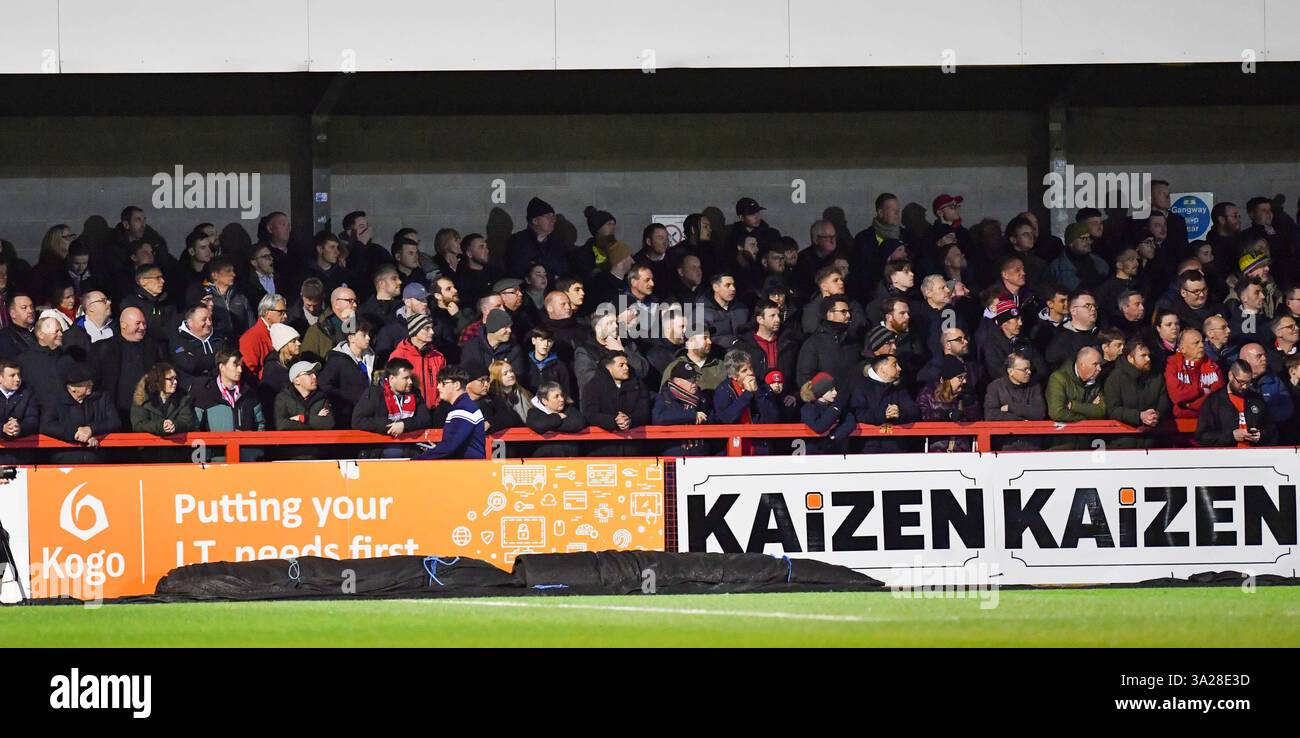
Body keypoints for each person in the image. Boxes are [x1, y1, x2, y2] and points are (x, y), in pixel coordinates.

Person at [40, 363, 121, 465]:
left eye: (90, 381)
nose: (91, 384)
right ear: (72, 388)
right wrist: (75, 433)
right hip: (65, 460)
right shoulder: (55, 401)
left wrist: (91, 429)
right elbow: (47, 425)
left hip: (96, 459)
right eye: (86, 383)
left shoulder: (102, 398)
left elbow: (115, 422)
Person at [352, 358, 431, 458]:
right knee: (395, 452)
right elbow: (358, 420)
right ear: (392, 379)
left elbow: (425, 419)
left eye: (410, 377)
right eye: (405, 378)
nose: (410, 381)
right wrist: (390, 426)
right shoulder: (374, 393)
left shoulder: (415, 394)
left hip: (410, 444)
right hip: (380, 446)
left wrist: (403, 425)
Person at [580, 351, 650, 456]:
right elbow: (589, 413)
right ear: (608, 367)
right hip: (602, 448)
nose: (626, 368)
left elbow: (645, 410)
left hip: (633, 447)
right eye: (621, 365)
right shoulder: (592, 386)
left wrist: (630, 420)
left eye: (626, 364)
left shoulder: (638, 384)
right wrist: (613, 421)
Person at [1103, 338, 1169, 448]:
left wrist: (1156, 415)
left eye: (1148, 355)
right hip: (1122, 443)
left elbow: (1164, 403)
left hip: (1153, 442)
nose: (1148, 359)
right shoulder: (1115, 378)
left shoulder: (1157, 377)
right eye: (1143, 356)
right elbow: (1113, 410)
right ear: (1130, 358)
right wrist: (1139, 416)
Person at [1196, 360, 1278, 447]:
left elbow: (1271, 428)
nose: (1245, 386)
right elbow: (1202, 436)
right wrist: (1232, 436)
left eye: (1248, 382)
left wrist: (1261, 435)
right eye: (1241, 382)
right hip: (1226, 455)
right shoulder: (1213, 401)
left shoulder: (1256, 399)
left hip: (1254, 454)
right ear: (1230, 376)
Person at [712, 350, 781, 454]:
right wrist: (747, 395)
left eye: (750, 368)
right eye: (744, 371)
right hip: (732, 447)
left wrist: (758, 393)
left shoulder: (762, 386)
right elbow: (726, 418)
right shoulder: (723, 390)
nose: (750, 372)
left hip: (760, 446)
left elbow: (772, 417)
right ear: (734, 376)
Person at [851, 353, 920, 453]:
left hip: (898, 448)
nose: (900, 368)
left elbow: (915, 411)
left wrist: (900, 413)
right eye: (894, 365)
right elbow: (857, 414)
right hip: (868, 448)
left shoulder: (899, 390)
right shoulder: (862, 388)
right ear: (882, 369)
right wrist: (882, 414)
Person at [416, 366, 487, 460]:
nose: (438, 387)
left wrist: (417, 460)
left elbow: (449, 446)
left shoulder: (464, 409)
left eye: (443, 383)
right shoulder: (462, 406)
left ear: (457, 385)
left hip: (468, 469)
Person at [318, 317, 377, 426]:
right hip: (347, 417)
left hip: (368, 415)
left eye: (369, 334)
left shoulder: (372, 358)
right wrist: (343, 400)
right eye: (364, 335)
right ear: (351, 338)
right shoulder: (338, 360)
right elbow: (323, 383)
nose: (368, 338)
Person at [1045, 346, 1108, 450]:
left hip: (1087, 445)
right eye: (1095, 364)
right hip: (1060, 445)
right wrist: (1088, 414)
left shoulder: (1097, 383)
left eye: (1100, 365)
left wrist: (1074, 406)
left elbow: (1102, 411)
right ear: (1082, 364)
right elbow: (1056, 412)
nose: (1099, 369)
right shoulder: (1058, 378)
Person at [983, 351, 1047, 450]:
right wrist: (1021, 420)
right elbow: (991, 415)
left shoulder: (1034, 386)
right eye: (1025, 369)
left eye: (1029, 369)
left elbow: (1039, 413)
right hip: (1005, 446)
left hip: (1031, 446)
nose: (1029, 372)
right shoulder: (995, 387)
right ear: (1010, 371)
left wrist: (1010, 407)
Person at [917, 355, 981, 452]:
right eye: (960, 378)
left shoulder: (966, 394)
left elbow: (977, 420)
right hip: (936, 451)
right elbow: (922, 415)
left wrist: (969, 405)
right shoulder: (928, 393)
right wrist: (947, 414)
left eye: (965, 377)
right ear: (947, 379)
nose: (964, 381)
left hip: (963, 452)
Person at [652, 360, 713, 456]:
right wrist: (692, 415)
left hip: (700, 452)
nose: (694, 383)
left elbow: (713, 418)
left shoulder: (702, 398)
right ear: (677, 381)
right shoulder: (664, 397)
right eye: (690, 380)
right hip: (674, 452)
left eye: (695, 378)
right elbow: (658, 418)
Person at [387, 312, 447, 409]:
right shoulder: (399, 355)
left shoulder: (438, 357)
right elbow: (392, 386)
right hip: (409, 412)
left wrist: (438, 404)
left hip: (436, 411)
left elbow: (444, 384)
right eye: (427, 328)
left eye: (432, 328)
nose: (432, 332)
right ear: (415, 330)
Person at [1165, 328, 1224, 420]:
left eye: (1202, 342)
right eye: (1196, 343)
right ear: (1182, 349)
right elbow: (1177, 396)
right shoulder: (1173, 364)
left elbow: (1217, 400)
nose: (1201, 345)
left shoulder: (1213, 367)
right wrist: (1202, 391)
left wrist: (1188, 405)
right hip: (1180, 423)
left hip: (1208, 421)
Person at [170, 304, 229, 390]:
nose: (209, 323)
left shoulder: (220, 338)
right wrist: (216, 358)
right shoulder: (178, 341)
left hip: (221, 386)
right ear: (190, 323)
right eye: (204, 320)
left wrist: (197, 358)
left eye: (210, 319)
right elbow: (189, 365)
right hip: (193, 390)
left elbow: (227, 360)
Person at [524, 381, 588, 457]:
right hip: (543, 460)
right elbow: (538, 425)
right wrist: (557, 417)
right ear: (545, 401)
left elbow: (578, 423)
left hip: (570, 459)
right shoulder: (533, 412)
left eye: (562, 395)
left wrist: (548, 425)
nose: (562, 399)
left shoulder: (570, 410)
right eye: (556, 396)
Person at [130, 363, 195, 436]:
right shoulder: (142, 398)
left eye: (176, 378)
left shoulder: (183, 397)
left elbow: (187, 422)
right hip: (151, 445)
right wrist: (161, 426)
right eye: (171, 379)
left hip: (177, 445)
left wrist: (175, 425)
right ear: (159, 381)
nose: (175, 382)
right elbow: (139, 425)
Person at [800, 371, 857, 454]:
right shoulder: (808, 408)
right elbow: (819, 427)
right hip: (815, 454)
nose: (835, 392)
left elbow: (850, 422)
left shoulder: (837, 406)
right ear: (821, 391)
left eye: (835, 389)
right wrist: (835, 408)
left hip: (837, 453)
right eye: (831, 390)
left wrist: (832, 437)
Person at [274, 360, 334, 431]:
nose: (314, 376)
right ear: (297, 380)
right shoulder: (283, 398)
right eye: (309, 373)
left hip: (315, 441)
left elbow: (329, 423)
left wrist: (302, 418)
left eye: (315, 373)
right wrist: (315, 421)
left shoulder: (322, 398)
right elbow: (280, 425)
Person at [301, 286, 356, 362]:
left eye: (355, 301)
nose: (355, 305)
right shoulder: (316, 331)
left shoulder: (359, 327)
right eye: (350, 301)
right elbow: (307, 362)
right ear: (336, 304)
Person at [239, 293, 287, 379]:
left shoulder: (284, 332)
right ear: (267, 313)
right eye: (281, 312)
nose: (285, 316)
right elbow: (249, 372)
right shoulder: (251, 338)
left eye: (285, 312)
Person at [0, 360, 40, 464]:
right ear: (0, 378)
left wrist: (20, 427)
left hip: (20, 455)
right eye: (12, 375)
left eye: (18, 375)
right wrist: (2, 428)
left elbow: (33, 419)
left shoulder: (27, 394)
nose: (17, 379)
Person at [524, 326, 573, 398]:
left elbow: (565, 391)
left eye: (549, 341)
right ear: (534, 341)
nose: (546, 344)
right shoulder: (525, 363)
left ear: (552, 343)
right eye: (542, 340)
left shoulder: (559, 365)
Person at [487, 359, 533, 429]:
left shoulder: (526, 393)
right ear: (497, 377)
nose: (511, 375)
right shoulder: (491, 399)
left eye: (511, 371)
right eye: (505, 373)